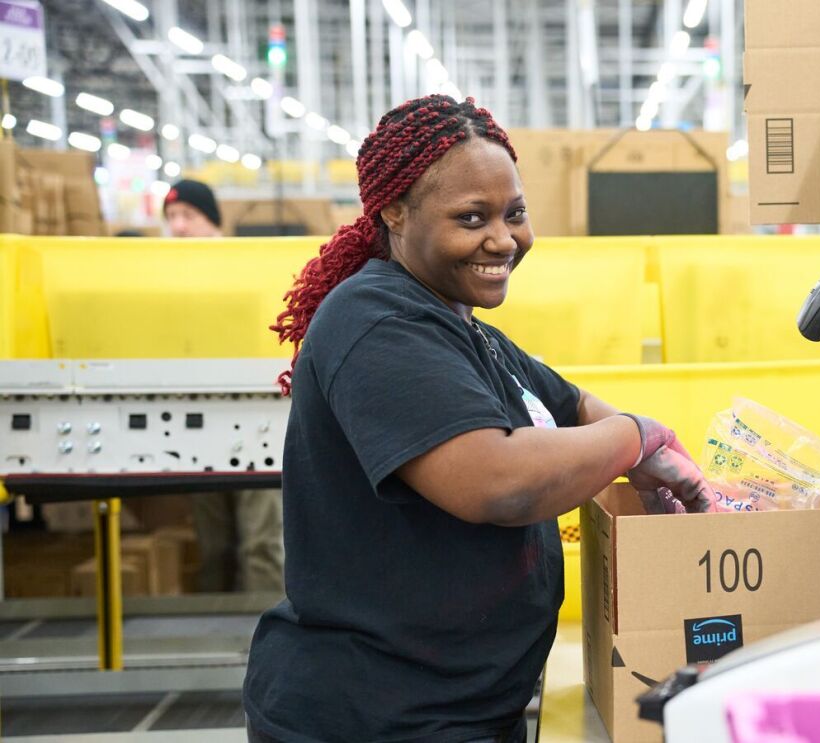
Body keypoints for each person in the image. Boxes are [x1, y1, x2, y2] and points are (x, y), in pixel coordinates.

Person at [242, 95, 711, 743]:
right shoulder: (375, 321)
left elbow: (569, 406)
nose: (503, 238)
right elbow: (496, 482)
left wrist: (654, 461)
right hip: (375, 716)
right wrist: (637, 436)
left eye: (514, 213)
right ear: (394, 212)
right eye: (471, 217)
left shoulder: (463, 328)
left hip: (457, 707)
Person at [163, 179, 286, 594]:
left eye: (188, 216)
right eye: (171, 218)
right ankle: (212, 628)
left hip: (257, 420)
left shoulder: (245, 269)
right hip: (198, 421)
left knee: (262, 543)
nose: (178, 227)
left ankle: (266, 641)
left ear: (212, 222)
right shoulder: (164, 281)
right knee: (214, 546)